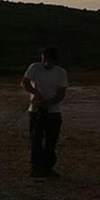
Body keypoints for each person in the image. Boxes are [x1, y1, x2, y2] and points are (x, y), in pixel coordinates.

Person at [20, 46, 68, 179]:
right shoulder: (34, 67)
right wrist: (35, 94)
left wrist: (50, 102)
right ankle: (36, 168)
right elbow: (24, 82)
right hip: (36, 110)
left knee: (51, 140)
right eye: (44, 60)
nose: (46, 63)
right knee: (36, 139)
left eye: (48, 60)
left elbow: (61, 93)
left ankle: (48, 168)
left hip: (53, 111)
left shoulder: (61, 72)